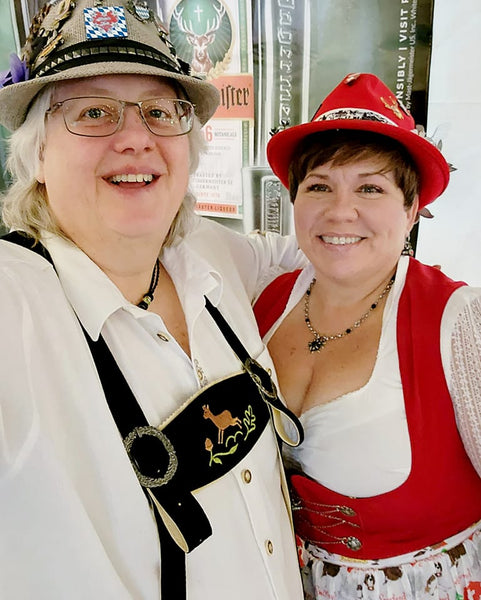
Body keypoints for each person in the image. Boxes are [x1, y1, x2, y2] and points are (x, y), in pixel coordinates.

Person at [0, 2, 305, 599]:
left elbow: (302, 247)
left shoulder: (208, 253)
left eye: (160, 113)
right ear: (36, 155)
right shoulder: (17, 302)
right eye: (93, 112)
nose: (136, 137)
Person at [253, 72, 481, 600]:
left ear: (411, 210)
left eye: (370, 188)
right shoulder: (265, 302)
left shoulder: (457, 319)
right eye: (319, 186)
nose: (339, 211)